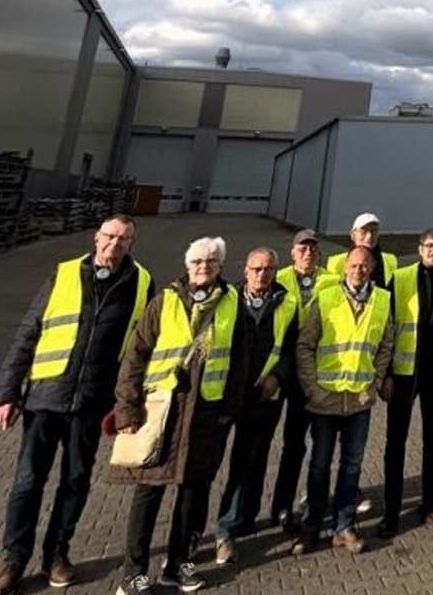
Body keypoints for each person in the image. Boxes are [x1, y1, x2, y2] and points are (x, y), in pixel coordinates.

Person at [0, 215, 153, 595]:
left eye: (124, 239)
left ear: (132, 244)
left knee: (75, 482)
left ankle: (56, 555)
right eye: (110, 236)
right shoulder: (63, 275)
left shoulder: (141, 283)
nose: (116, 244)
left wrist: (125, 404)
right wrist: (7, 392)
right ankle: (13, 560)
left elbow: (138, 352)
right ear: (97, 237)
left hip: (92, 403)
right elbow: (30, 332)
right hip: (46, 398)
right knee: (28, 481)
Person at [111, 237, 248, 594]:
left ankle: (180, 566)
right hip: (162, 413)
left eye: (212, 261)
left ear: (220, 266)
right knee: (148, 493)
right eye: (198, 261)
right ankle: (134, 573)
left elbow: (241, 362)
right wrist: (127, 407)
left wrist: (229, 411)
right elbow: (136, 356)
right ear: (187, 265)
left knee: (194, 494)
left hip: (206, 414)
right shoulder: (165, 301)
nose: (205, 266)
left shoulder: (234, 304)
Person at [292, 246, 395, 556]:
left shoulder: (382, 300)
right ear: (345, 267)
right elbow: (305, 346)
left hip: (359, 401)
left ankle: (344, 527)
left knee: (351, 467)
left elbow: (386, 346)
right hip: (325, 399)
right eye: (353, 265)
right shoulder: (326, 297)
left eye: (365, 266)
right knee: (319, 466)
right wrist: (312, 388)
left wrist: (374, 383)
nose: (359, 271)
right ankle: (311, 527)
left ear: (372, 269)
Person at [213, 247, 297, 565]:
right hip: (225, 395)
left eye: (269, 269)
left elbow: (292, 347)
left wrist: (278, 376)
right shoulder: (228, 299)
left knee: (252, 460)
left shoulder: (286, 303)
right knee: (213, 464)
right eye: (257, 269)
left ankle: (240, 521)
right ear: (245, 270)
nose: (262, 275)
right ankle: (217, 530)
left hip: (264, 395)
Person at [380, 228, 433, 536]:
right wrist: (384, 374)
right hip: (404, 372)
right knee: (395, 442)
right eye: (429, 245)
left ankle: (432, 505)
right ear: (419, 247)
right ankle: (391, 511)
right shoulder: (400, 278)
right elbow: (386, 329)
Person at [270, 229, 336, 533]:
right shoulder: (278, 278)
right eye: (302, 248)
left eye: (313, 248)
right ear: (292, 252)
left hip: (316, 374)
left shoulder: (331, 281)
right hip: (280, 374)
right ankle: (280, 507)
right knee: (288, 445)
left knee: (318, 446)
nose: (308, 253)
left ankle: (313, 503)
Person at [326, 213, 399, 290]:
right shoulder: (336, 262)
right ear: (353, 235)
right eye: (363, 231)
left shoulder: (390, 260)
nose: (369, 236)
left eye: (374, 231)